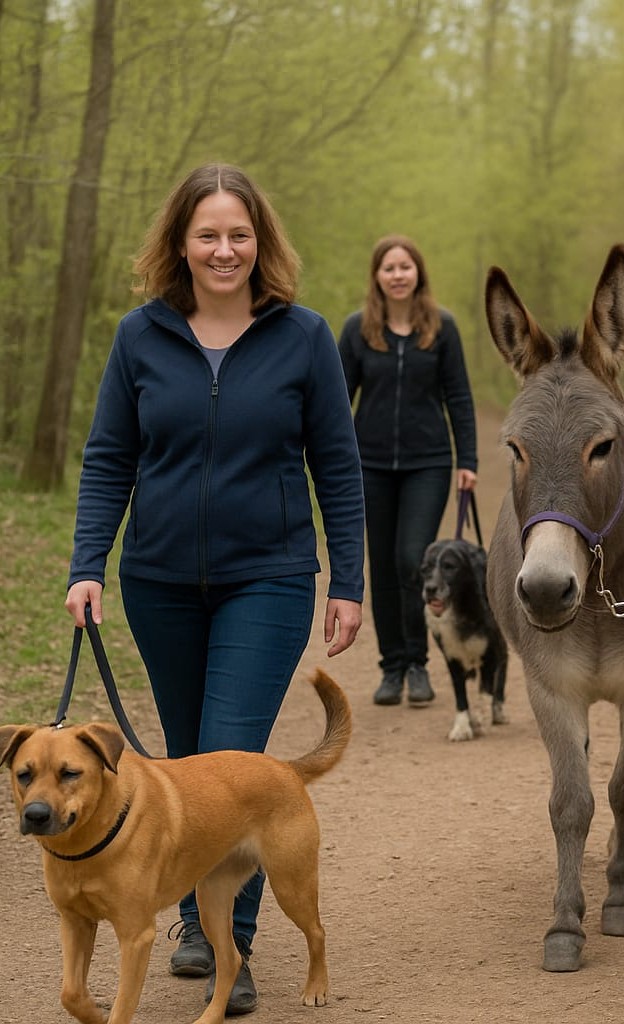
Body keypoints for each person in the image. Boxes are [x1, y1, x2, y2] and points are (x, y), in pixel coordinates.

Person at [65, 163, 365, 1015]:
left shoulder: (303, 337)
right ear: (181, 244)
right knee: (188, 754)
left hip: (267, 578)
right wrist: (88, 565)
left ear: (261, 243)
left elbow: (337, 468)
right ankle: (205, 922)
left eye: (240, 234)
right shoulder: (139, 337)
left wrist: (348, 579)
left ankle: (225, 943)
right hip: (156, 580)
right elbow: (108, 459)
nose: (225, 249)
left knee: (232, 755)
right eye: (209, 234)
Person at [338, 235, 478, 707]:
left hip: (428, 464)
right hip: (369, 465)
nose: (397, 275)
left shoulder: (442, 328)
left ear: (418, 273)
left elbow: (458, 396)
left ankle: (418, 663)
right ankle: (391, 666)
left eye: (405, 267)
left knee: (411, 558)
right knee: (381, 563)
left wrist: (469, 462)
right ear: (377, 276)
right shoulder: (358, 330)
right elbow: (335, 403)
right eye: (388, 268)